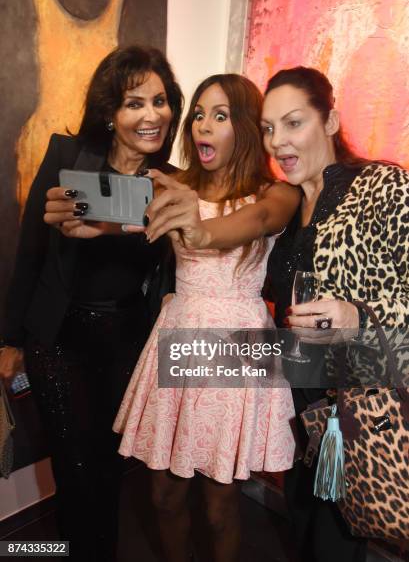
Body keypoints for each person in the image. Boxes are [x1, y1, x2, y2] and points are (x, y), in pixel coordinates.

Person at [132, 67, 409, 562]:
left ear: (330, 121)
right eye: (269, 127)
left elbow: (249, 223)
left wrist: (358, 318)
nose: (279, 140)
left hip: (358, 397)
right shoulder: (300, 198)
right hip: (297, 387)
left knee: (331, 535)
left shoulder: (382, 187)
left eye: (294, 123)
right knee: (300, 526)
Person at [0, 45, 183, 562]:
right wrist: (11, 339)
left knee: (109, 467)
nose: (151, 115)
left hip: (128, 341)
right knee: (76, 472)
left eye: (160, 100)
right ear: (110, 111)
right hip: (60, 342)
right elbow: (30, 252)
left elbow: (172, 269)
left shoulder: (170, 182)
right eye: (134, 103)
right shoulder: (66, 157)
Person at [113, 73, 300, 562]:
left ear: (244, 127)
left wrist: (199, 232)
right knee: (165, 496)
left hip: (237, 343)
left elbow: (257, 222)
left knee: (220, 505)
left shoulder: (276, 194)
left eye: (220, 115)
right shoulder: (175, 187)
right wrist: (84, 222)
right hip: (178, 332)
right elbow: (117, 219)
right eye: (198, 113)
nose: (203, 125)